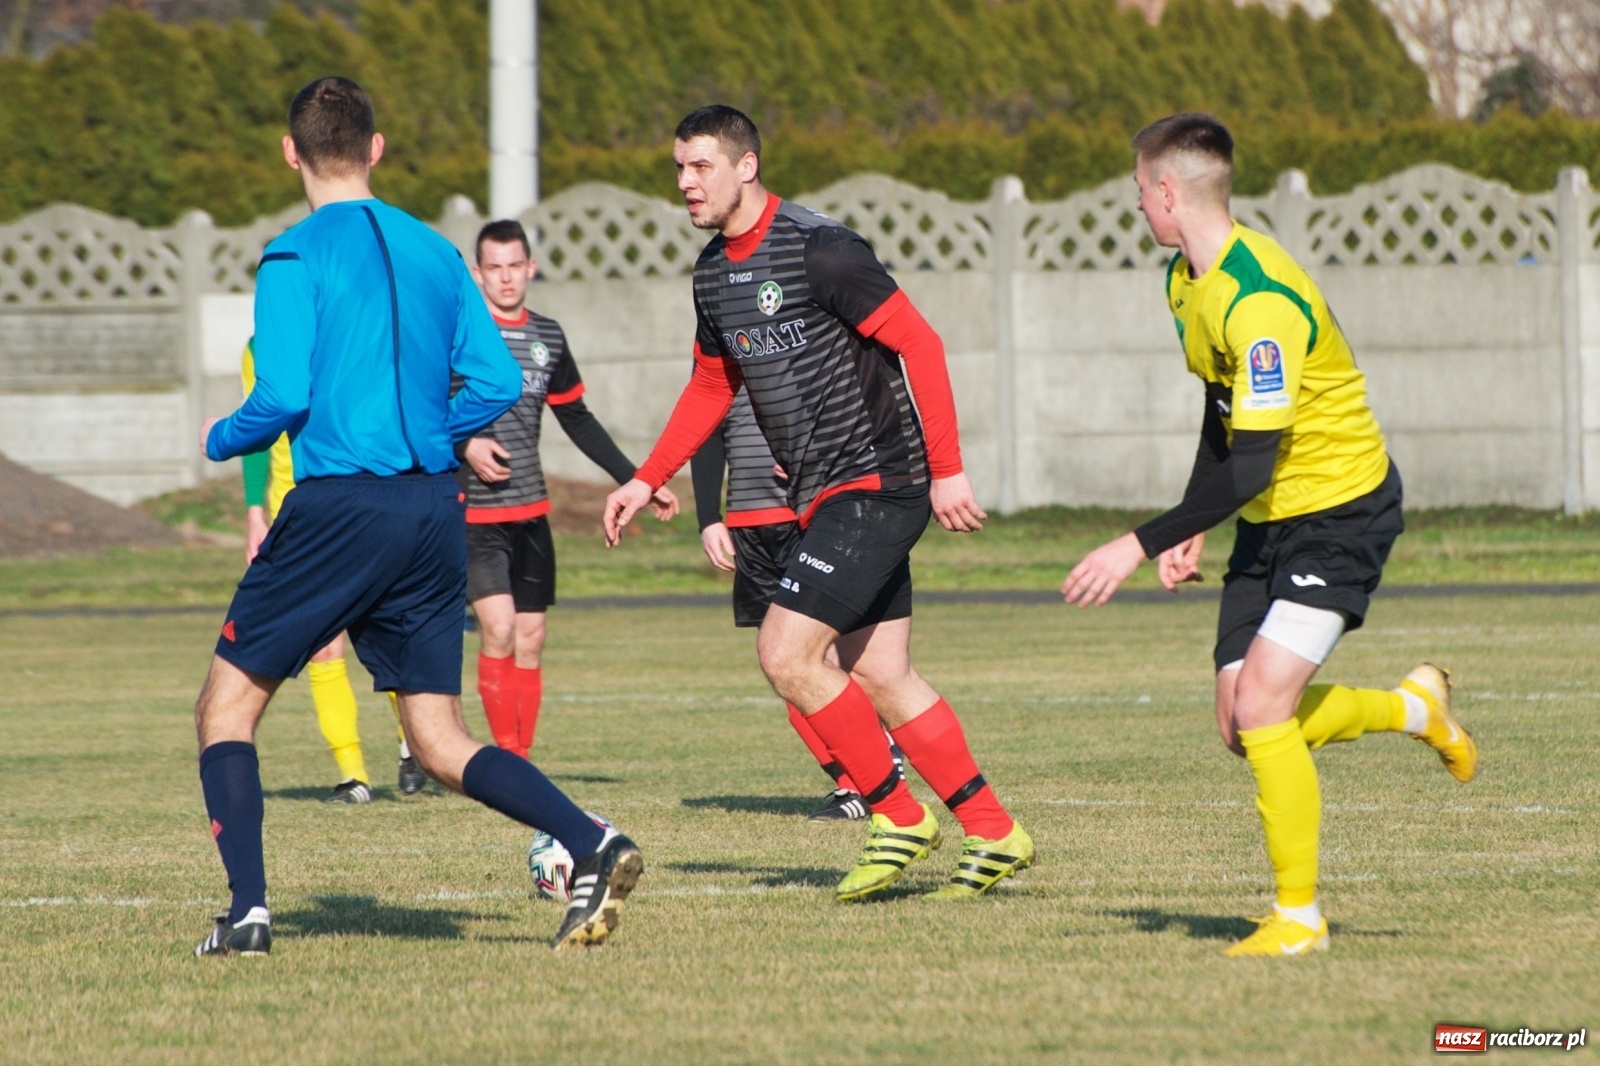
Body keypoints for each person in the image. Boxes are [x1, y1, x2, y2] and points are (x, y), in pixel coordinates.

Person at [192, 76, 642, 957]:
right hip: (437, 508)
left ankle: (247, 913)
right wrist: (437, 432)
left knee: (225, 708)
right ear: (378, 148)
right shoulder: (439, 253)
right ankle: (593, 841)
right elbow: (502, 381)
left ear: (291, 153)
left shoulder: (291, 256)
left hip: (337, 507)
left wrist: (219, 438)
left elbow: (281, 392)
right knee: (438, 739)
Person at [1062, 113, 1478, 957]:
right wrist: (1192, 522)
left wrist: (1135, 542)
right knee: (1239, 722)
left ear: (1169, 192)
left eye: (1140, 192)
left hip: (1339, 513)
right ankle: (1412, 708)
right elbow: (1224, 419)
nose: (1138, 206)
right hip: (1263, 518)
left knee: (1261, 706)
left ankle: (1298, 919)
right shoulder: (1185, 281)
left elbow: (1254, 463)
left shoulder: (1260, 302)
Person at [605, 105, 1032, 901]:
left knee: (786, 654)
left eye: (699, 166)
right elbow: (712, 383)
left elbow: (921, 344)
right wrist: (645, 475)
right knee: (883, 673)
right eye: (678, 167)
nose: (684, 182)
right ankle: (995, 831)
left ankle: (898, 816)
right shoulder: (712, 273)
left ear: (747, 166)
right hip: (821, 492)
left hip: (877, 479)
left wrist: (949, 471)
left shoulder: (821, 250)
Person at [461, 220, 678, 757]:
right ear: (477, 273)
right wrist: (465, 444)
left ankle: (521, 763)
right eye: (495, 267)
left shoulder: (548, 337)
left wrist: (637, 479)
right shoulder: (460, 334)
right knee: (501, 628)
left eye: (516, 265)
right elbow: (421, 409)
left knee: (532, 639)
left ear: (531, 268)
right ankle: (505, 759)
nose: (506, 278)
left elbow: (577, 419)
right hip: (474, 515)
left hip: (530, 510)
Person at [690, 389, 903, 820]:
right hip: (749, 529)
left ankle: (868, 779)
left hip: (809, 521)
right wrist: (708, 517)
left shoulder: (806, 354)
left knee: (815, 657)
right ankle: (858, 781)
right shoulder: (719, 361)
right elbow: (705, 436)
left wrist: (814, 457)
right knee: (784, 669)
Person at [240, 338, 424, 800]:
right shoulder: (260, 348)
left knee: (381, 636)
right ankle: (353, 774)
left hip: (361, 502)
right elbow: (257, 428)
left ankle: (413, 742)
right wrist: (254, 511)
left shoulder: (348, 333)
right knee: (323, 646)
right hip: (298, 518)